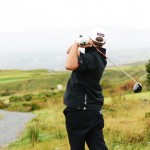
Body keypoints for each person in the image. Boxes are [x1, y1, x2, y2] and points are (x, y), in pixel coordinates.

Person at [63, 27, 108, 150]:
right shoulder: (99, 57)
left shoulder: (90, 58)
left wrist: (78, 43)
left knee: (77, 147)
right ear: (103, 43)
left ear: (91, 40)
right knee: (98, 146)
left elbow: (69, 65)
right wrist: (78, 45)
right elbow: (70, 51)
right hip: (93, 110)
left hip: (79, 111)